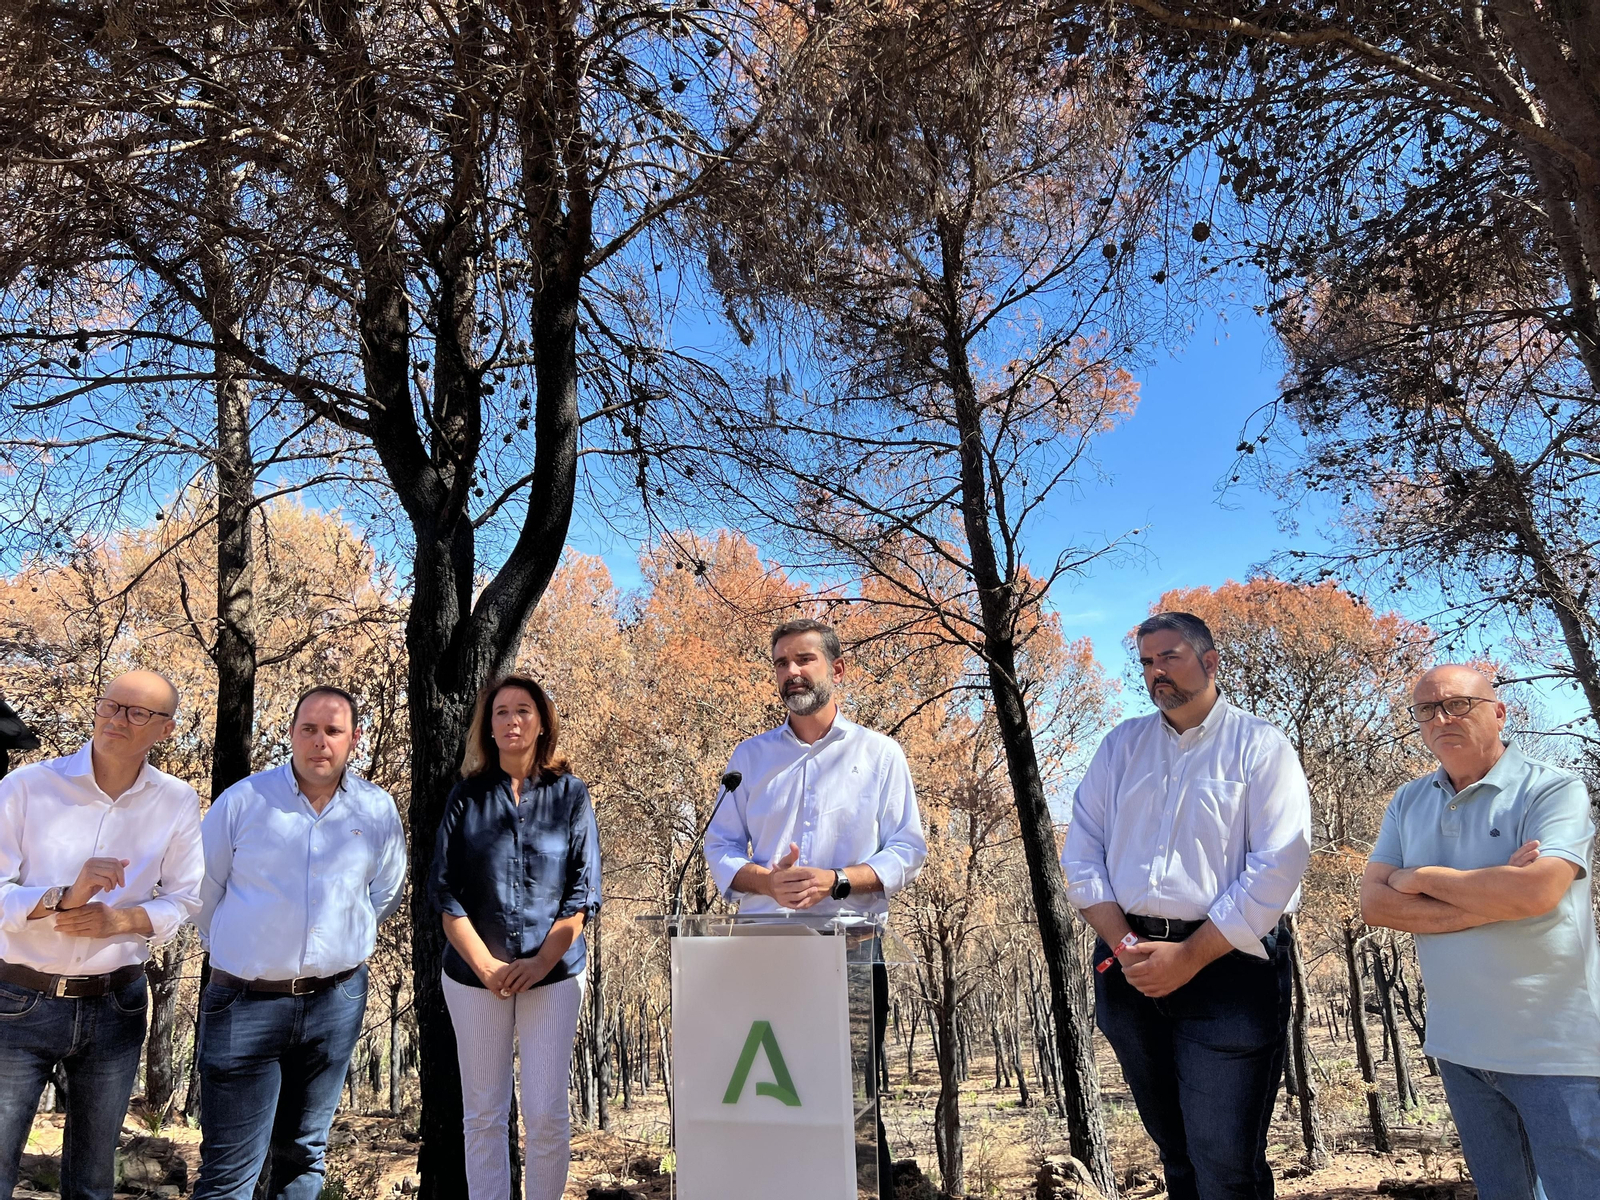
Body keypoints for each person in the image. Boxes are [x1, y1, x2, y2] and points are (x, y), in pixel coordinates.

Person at [1062, 612, 1312, 1200]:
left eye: (1169, 657)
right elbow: (1082, 855)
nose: (1155, 673)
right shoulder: (1122, 745)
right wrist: (1125, 947)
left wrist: (1190, 957)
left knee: (1225, 1164)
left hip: (1228, 964)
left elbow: (1278, 867)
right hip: (1130, 966)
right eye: (1146, 662)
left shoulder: (1259, 746)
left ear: (1209, 660)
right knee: (1175, 1156)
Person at [1362, 664, 1600, 1200]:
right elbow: (1375, 904)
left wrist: (1418, 878)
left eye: (1458, 704)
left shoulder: (1553, 789)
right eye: (1426, 710)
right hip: (1461, 1048)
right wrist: (1498, 895)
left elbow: (1535, 892)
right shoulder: (1408, 801)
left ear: (1498, 711)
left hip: (1556, 1049)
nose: (1441, 718)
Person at [703, 618, 928, 1181]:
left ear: (837, 669)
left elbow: (908, 848)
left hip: (850, 950)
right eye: (781, 663)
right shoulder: (748, 759)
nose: (791, 672)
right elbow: (720, 845)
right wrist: (764, 881)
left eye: (803, 660)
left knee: (850, 1104)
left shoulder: (880, 755)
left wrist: (839, 880)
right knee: (762, 1097)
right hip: (760, 950)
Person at [193, 686, 406, 1200]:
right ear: (290, 734)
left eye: (332, 731)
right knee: (228, 1173)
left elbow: (385, 892)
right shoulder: (243, 802)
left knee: (304, 1154)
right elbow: (202, 892)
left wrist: (335, 947)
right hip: (245, 1003)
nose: (319, 742)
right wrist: (247, 953)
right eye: (308, 729)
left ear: (354, 739)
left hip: (336, 1001)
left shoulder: (377, 810)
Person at [0, 671, 204, 1200]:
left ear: (165, 730)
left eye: (138, 713)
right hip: (18, 999)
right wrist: (60, 898)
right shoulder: (27, 786)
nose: (117, 720)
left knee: (93, 1182)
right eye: (110, 706)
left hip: (116, 1005)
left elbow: (185, 897)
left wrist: (123, 920)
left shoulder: (177, 801)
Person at [430, 675, 602, 1200]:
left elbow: (583, 891)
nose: (511, 721)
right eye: (500, 712)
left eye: (523, 710)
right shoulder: (466, 797)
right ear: (488, 726)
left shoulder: (571, 795)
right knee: (483, 1114)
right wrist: (486, 967)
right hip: (473, 978)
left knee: (546, 1113)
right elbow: (444, 890)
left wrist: (540, 963)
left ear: (541, 721)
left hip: (553, 978)